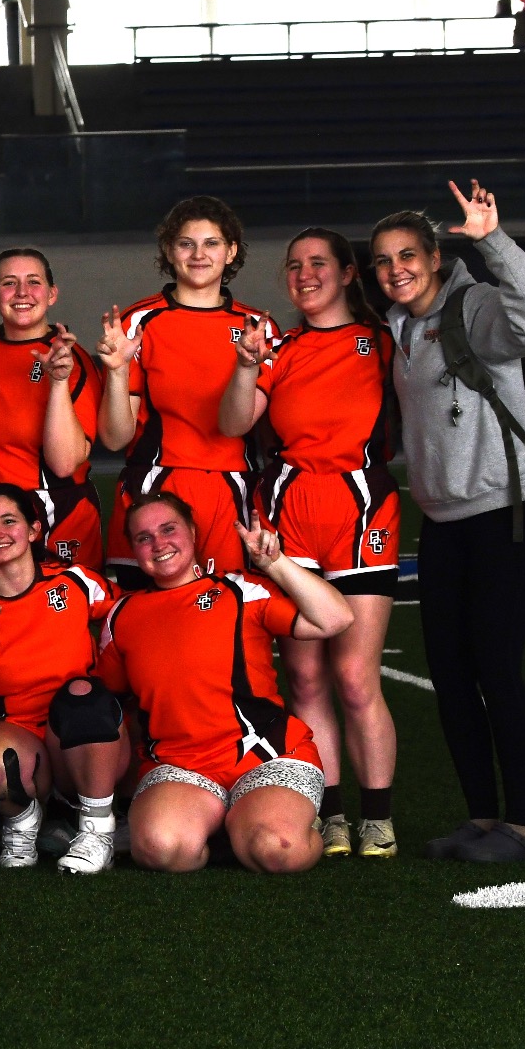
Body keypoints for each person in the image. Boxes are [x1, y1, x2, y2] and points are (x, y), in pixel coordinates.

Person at [373, 182, 525, 863]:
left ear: (433, 256)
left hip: (507, 512)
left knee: (496, 668)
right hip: (444, 521)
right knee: (450, 674)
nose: (396, 268)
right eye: (384, 260)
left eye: (407, 255)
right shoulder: (393, 326)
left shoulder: (475, 306)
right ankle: (481, 818)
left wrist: (491, 242)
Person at [218, 228, 401, 859]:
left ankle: (378, 816)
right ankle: (332, 810)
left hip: (361, 509)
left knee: (354, 676)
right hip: (289, 510)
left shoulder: (381, 339)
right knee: (304, 675)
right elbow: (234, 422)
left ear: (350, 273)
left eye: (318, 263)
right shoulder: (277, 346)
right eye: (293, 265)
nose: (304, 274)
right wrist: (245, 365)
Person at [99, 493, 355, 874]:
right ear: (134, 550)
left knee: (278, 849)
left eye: (168, 529)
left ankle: (273, 821)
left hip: (266, 754)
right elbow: (115, 702)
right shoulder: (121, 615)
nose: (158, 544)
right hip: (179, 764)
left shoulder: (242, 590)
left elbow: (335, 619)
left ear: (192, 531)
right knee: (161, 849)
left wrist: (276, 563)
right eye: (144, 537)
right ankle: (225, 825)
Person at [0, 484, 126, 874]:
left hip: (81, 736)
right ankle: (23, 824)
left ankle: (96, 827)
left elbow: (130, 617)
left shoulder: (73, 583)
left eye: (9, 521)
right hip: (21, 742)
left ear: (34, 530)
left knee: (82, 694)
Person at [98, 195, 272, 585]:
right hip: (154, 485)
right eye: (186, 243)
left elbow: (236, 426)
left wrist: (246, 365)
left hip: (230, 489)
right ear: (168, 250)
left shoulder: (258, 329)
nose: (199, 254)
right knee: (148, 622)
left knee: (227, 616)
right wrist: (115, 372)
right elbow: (114, 438)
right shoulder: (138, 323)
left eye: (212, 243)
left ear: (230, 252)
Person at [0, 248, 105, 571]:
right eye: (9, 283)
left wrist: (58, 382)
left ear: (52, 295)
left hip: (54, 514)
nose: (22, 292)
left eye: (33, 282)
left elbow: (64, 463)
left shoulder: (70, 359)